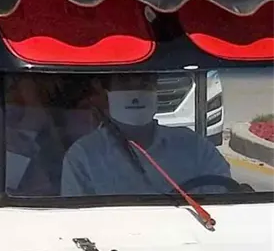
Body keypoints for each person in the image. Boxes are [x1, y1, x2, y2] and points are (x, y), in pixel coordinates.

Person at [61, 73, 231, 197]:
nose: (136, 92)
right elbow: (76, 222)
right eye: (125, 82)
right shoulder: (83, 156)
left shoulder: (195, 147)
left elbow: (225, 201)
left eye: (145, 82)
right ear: (107, 93)